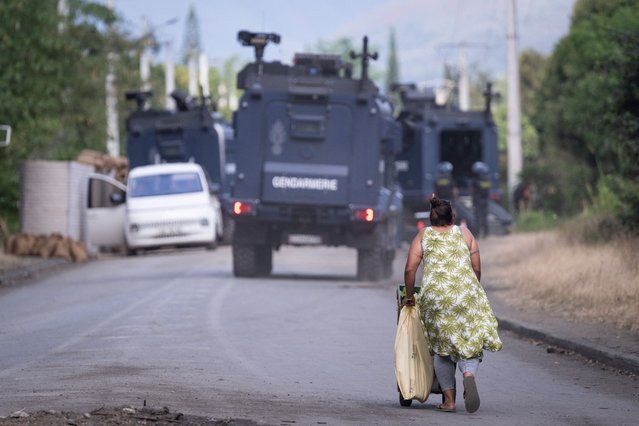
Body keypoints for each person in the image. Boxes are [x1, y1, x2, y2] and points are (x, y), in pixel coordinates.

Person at [402, 195, 502, 413]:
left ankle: (449, 401)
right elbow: (476, 269)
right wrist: (471, 292)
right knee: (469, 344)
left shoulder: (423, 235)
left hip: (436, 298)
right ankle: (469, 374)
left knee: (442, 350)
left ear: (430, 220)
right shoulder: (464, 233)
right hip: (466, 294)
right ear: (453, 217)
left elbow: (410, 270)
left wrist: (410, 296)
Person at [471, 161, 491, 238]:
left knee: (478, 218)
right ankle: (486, 233)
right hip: (485, 201)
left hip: (478, 201)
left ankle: (477, 234)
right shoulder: (487, 180)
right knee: (485, 217)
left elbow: (473, 191)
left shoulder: (475, 181)